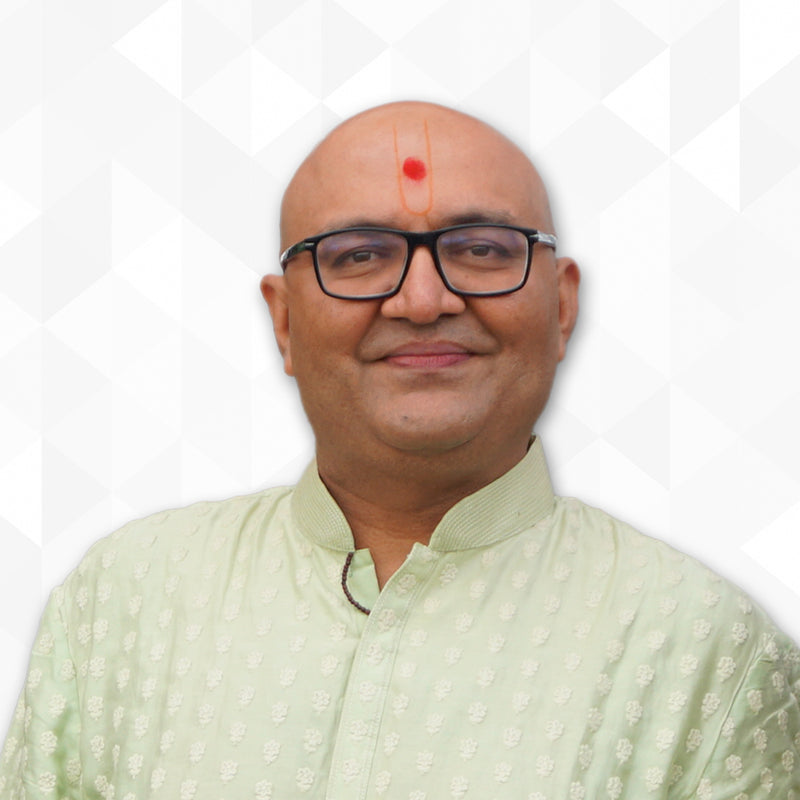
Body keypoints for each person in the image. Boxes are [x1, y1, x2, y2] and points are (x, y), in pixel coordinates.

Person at [1, 101, 798, 799]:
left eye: (482, 249)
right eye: (358, 255)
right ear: (283, 320)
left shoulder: (700, 647)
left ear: (562, 307)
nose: (423, 299)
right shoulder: (125, 599)